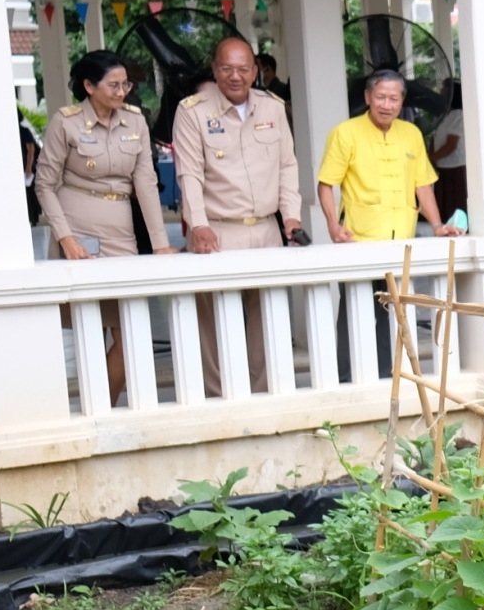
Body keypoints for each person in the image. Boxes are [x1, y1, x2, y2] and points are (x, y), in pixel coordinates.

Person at [38, 49, 177, 403]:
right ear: (89, 86)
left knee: (131, 332)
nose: (121, 92)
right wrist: (65, 238)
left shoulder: (135, 121)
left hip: (121, 229)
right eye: (113, 85)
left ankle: (102, 404)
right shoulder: (66, 122)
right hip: (78, 226)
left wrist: (160, 243)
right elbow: (44, 185)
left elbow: (146, 183)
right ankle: (98, 411)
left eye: (125, 84)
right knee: (90, 327)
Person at [171, 35, 304, 397]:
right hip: (217, 231)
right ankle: (220, 399)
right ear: (215, 70)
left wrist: (291, 217)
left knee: (268, 318)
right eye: (227, 68)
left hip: (266, 229)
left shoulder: (272, 107)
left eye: (243, 69)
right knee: (215, 322)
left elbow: (287, 165)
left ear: (254, 71)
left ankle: (267, 396)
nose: (235, 76)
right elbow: (189, 174)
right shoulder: (193, 111)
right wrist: (198, 225)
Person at [316, 68, 461, 243]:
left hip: (404, 235)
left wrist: (437, 227)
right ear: (367, 97)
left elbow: (422, 185)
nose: (386, 105)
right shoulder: (344, 132)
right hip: (357, 238)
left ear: (402, 101)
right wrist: (333, 226)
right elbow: (326, 184)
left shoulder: (412, 133)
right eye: (380, 97)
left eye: (393, 99)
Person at [430, 80, 467, 222]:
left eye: (444, 91)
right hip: (442, 167)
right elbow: (435, 138)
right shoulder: (443, 115)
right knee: (443, 206)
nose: (441, 94)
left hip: (455, 167)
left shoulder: (458, 114)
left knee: (456, 205)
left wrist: (432, 157)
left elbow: (451, 144)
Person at [21, 116, 41, 225]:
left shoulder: (24, 131)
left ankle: (33, 218)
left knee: (30, 193)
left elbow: (31, 150)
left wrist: (28, 167)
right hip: (21, 165)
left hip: (27, 166)